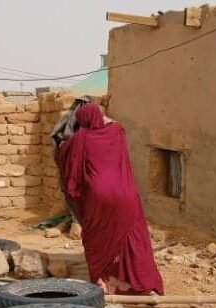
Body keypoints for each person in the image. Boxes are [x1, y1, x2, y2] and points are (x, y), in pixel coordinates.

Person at [59, 102, 165, 295]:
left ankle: (104, 282)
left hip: (99, 197)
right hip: (126, 195)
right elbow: (116, 124)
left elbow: (63, 153)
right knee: (130, 239)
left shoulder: (79, 139)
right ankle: (139, 283)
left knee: (97, 239)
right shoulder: (115, 132)